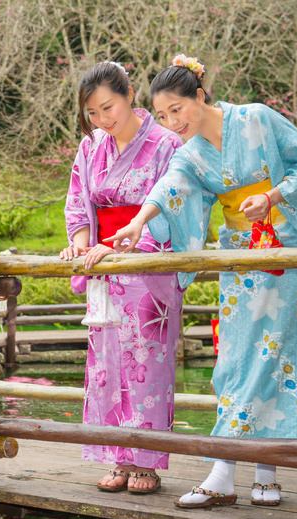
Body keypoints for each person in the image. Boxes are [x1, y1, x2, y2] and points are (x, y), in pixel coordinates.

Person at [106, 54, 297, 508]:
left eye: (178, 110)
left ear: (200, 96)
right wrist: (139, 222)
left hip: (287, 250)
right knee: (236, 359)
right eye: (162, 116)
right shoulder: (191, 153)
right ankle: (225, 471)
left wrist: (271, 195)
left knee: (281, 358)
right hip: (240, 259)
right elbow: (170, 187)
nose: (172, 123)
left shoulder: (256, 118)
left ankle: (264, 472)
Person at [60, 61, 184, 495]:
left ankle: (147, 461)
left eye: (107, 107)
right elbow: (78, 204)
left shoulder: (167, 143)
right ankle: (117, 456)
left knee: (147, 365)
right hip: (102, 264)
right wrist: (79, 242)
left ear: (130, 95)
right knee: (107, 366)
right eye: (92, 113)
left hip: (146, 264)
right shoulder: (91, 147)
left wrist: (120, 247)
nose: (101, 120)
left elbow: (172, 207)